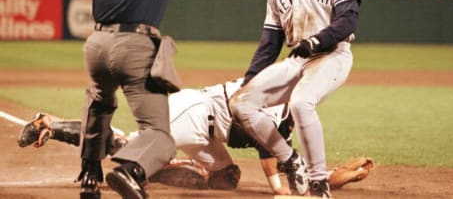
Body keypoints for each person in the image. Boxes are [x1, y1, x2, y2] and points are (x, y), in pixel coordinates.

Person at [17, 0, 304, 198]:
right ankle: (130, 170)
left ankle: (89, 173)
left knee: (99, 103)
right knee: (159, 135)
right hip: (135, 46)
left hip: (96, 45)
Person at [18, 78, 374, 195]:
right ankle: (51, 123)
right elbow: (278, 166)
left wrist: (335, 178)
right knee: (126, 147)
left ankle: (158, 169)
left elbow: (292, 166)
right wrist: (283, 190)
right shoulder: (278, 101)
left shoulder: (287, 105)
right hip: (190, 113)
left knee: (227, 178)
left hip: (207, 132)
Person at [229, 0, 362, 198]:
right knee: (240, 104)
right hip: (297, 58)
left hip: (331, 55)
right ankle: (291, 160)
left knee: (301, 103)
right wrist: (249, 80)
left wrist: (316, 40)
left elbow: (348, 20)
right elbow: (270, 41)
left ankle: (318, 184)